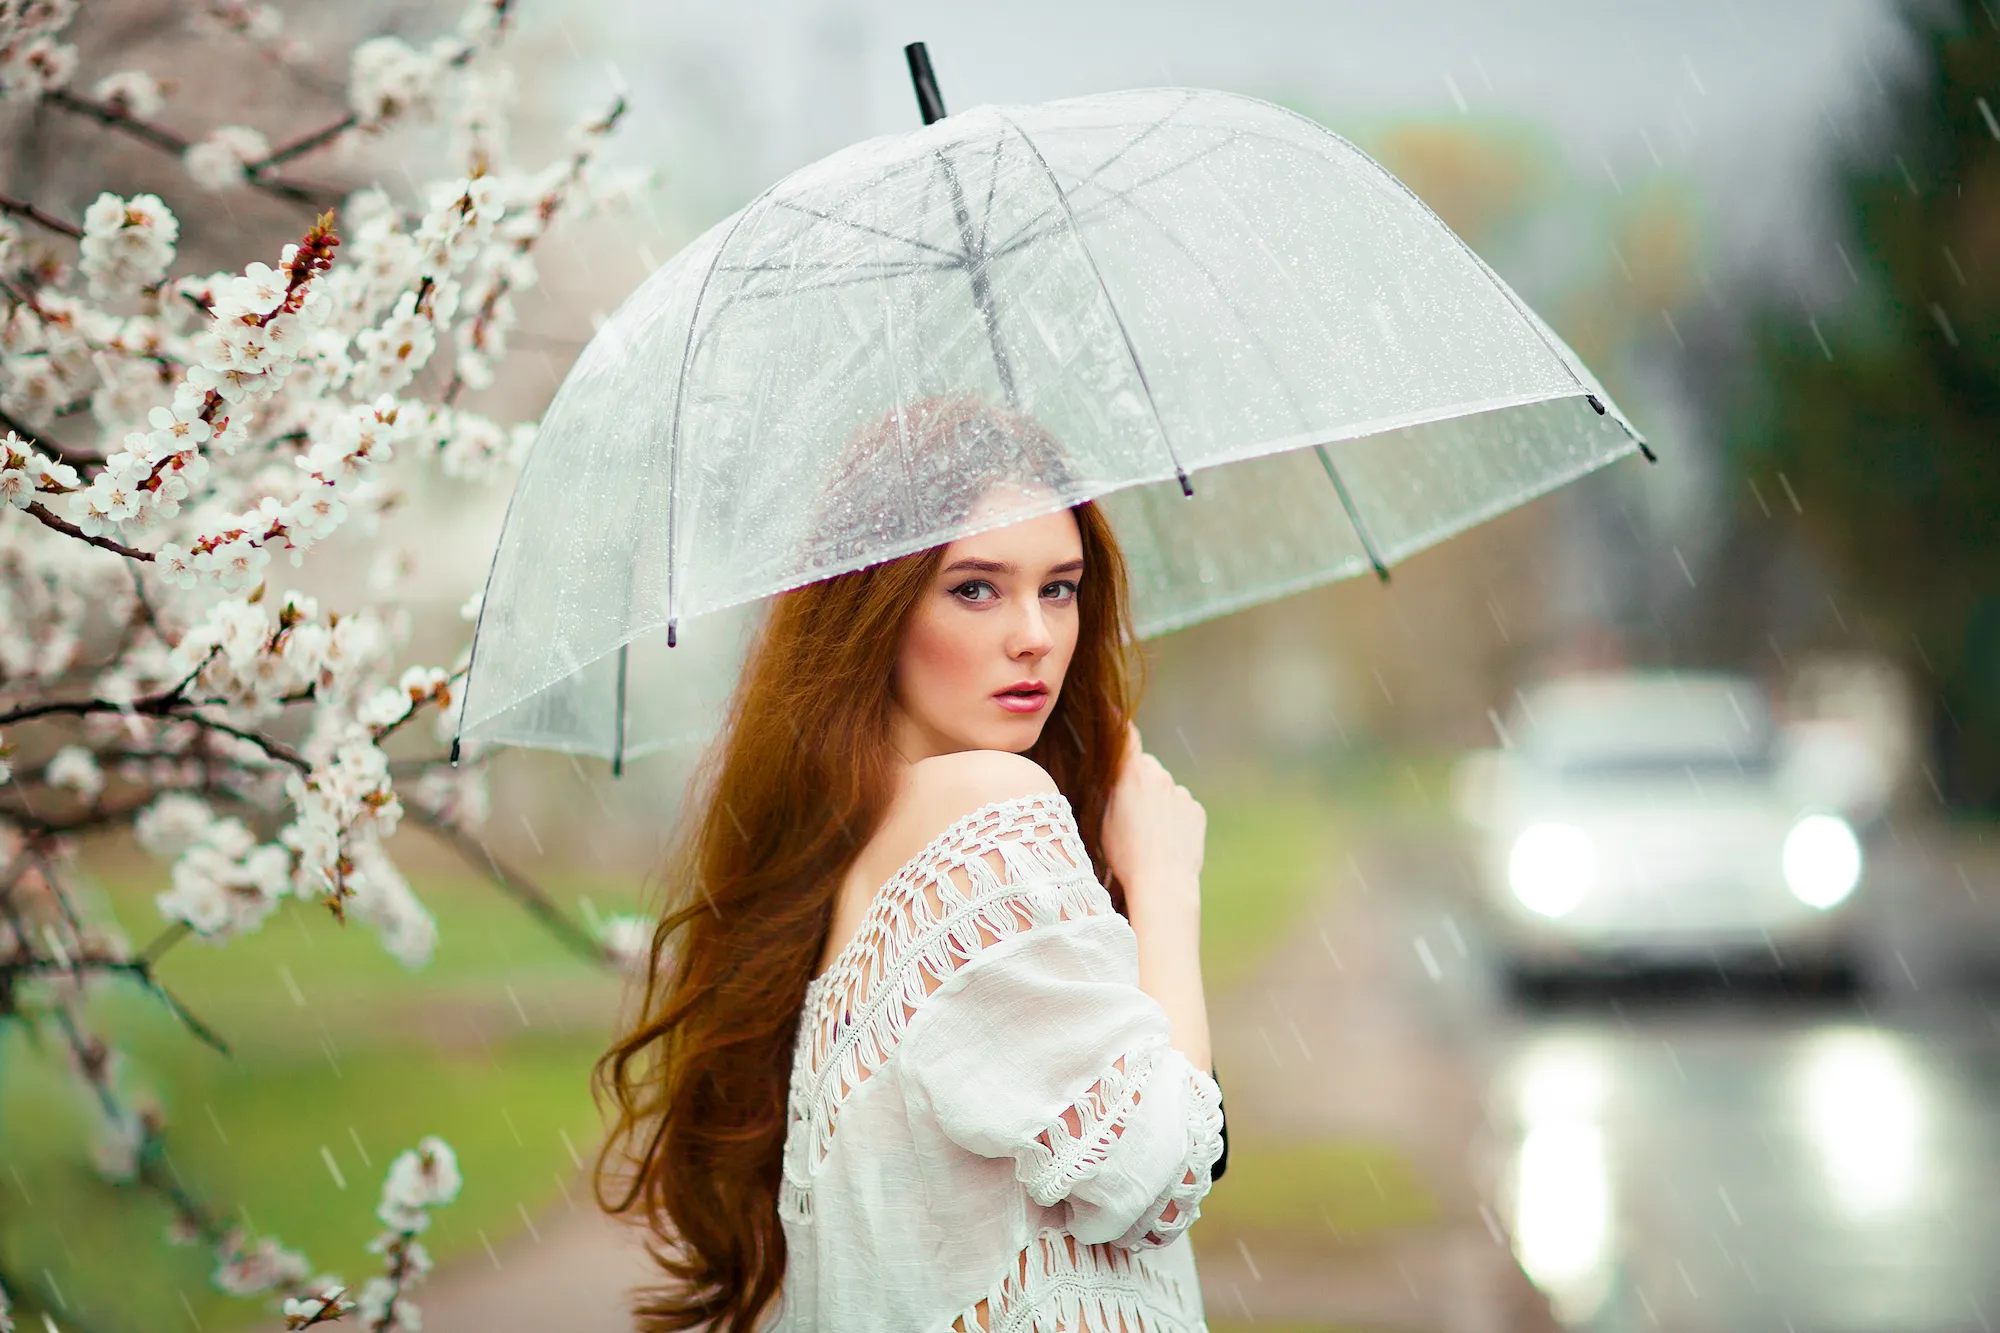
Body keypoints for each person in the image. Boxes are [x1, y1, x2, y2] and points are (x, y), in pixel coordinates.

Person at [594, 398, 1226, 1332]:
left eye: (1060, 586)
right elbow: (1158, 1166)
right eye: (976, 587)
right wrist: (1166, 886)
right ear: (876, 609)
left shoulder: (846, 864)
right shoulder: (988, 814)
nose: (1037, 636)